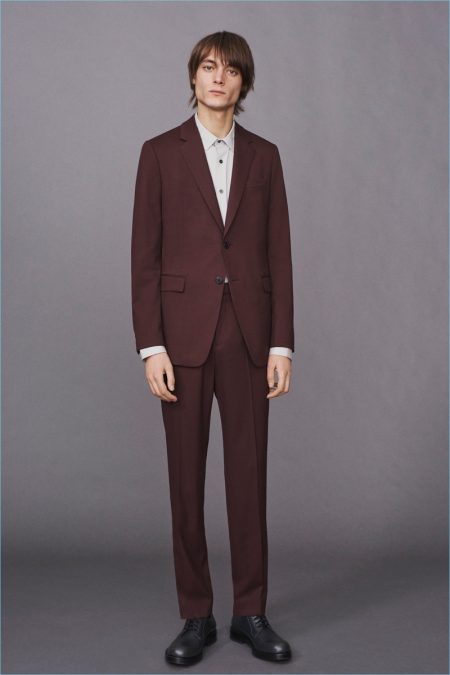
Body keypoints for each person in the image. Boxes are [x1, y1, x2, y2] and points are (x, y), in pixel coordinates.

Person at [131, 30, 295, 666]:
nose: (218, 77)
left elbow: (278, 254)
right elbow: (144, 258)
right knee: (185, 482)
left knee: (249, 481)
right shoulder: (158, 153)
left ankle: (250, 613)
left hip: (250, 338)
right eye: (207, 67)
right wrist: (151, 346)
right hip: (181, 340)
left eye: (230, 69)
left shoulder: (266, 157)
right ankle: (195, 615)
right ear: (193, 77)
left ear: (244, 82)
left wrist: (282, 344)